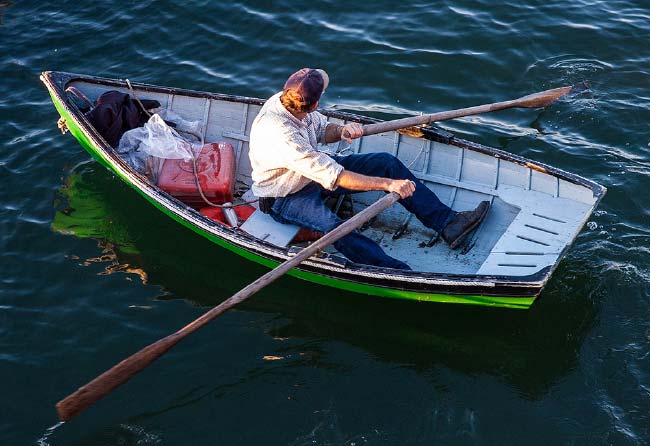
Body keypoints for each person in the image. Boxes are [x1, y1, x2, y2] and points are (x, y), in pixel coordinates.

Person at [248, 68, 489, 270]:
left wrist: (341, 131)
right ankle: (394, 272)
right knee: (338, 229)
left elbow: (322, 130)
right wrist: (388, 185)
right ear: (316, 102)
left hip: (310, 175)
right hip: (284, 197)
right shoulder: (282, 133)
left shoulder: (292, 102)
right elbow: (336, 176)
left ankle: (448, 224)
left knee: (386, 162)